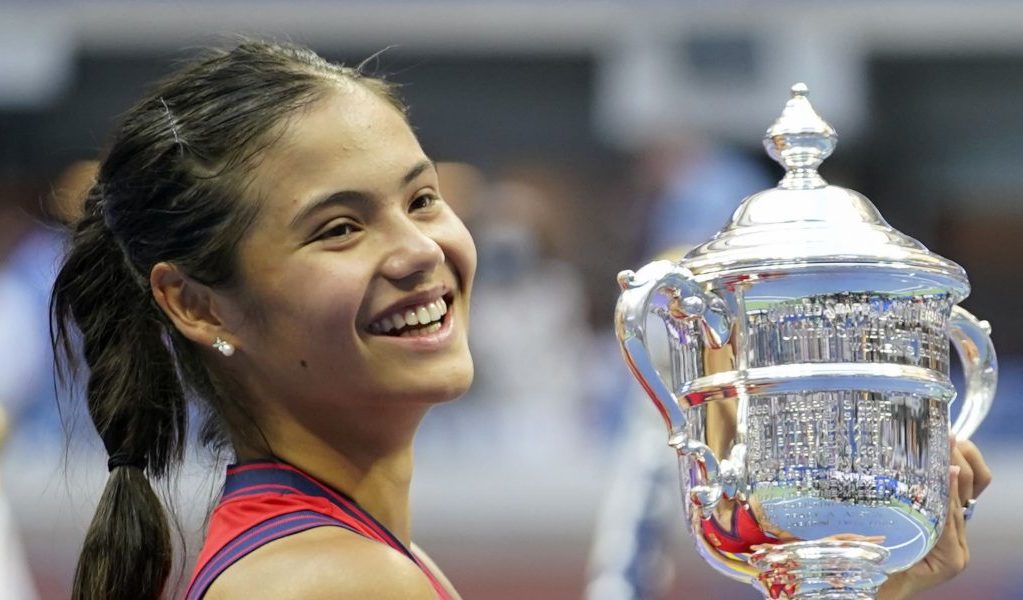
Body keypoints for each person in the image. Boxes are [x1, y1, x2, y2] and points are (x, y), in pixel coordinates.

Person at [50, 40, 989, 600]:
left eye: (420, 200)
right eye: (338, 228)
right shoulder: (328, 582)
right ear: (195, 303)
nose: (419, 248)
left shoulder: (353, 556)